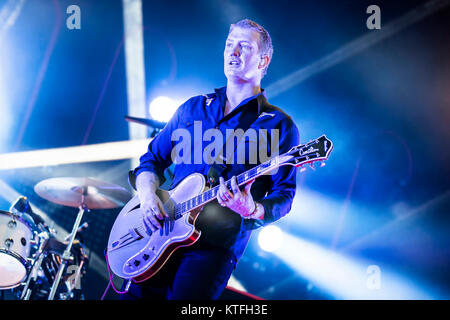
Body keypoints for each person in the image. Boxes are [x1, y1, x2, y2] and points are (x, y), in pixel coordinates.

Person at [121, 19, 299, 300]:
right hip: (160, 235)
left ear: (263, 60)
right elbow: (150, 161)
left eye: (244, 47)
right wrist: (146, 197)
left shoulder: (277, 125)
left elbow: (284, 197)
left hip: (212, 249)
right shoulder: (193, 107)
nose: (233, 53)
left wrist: (251, 208)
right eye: (230, 45)